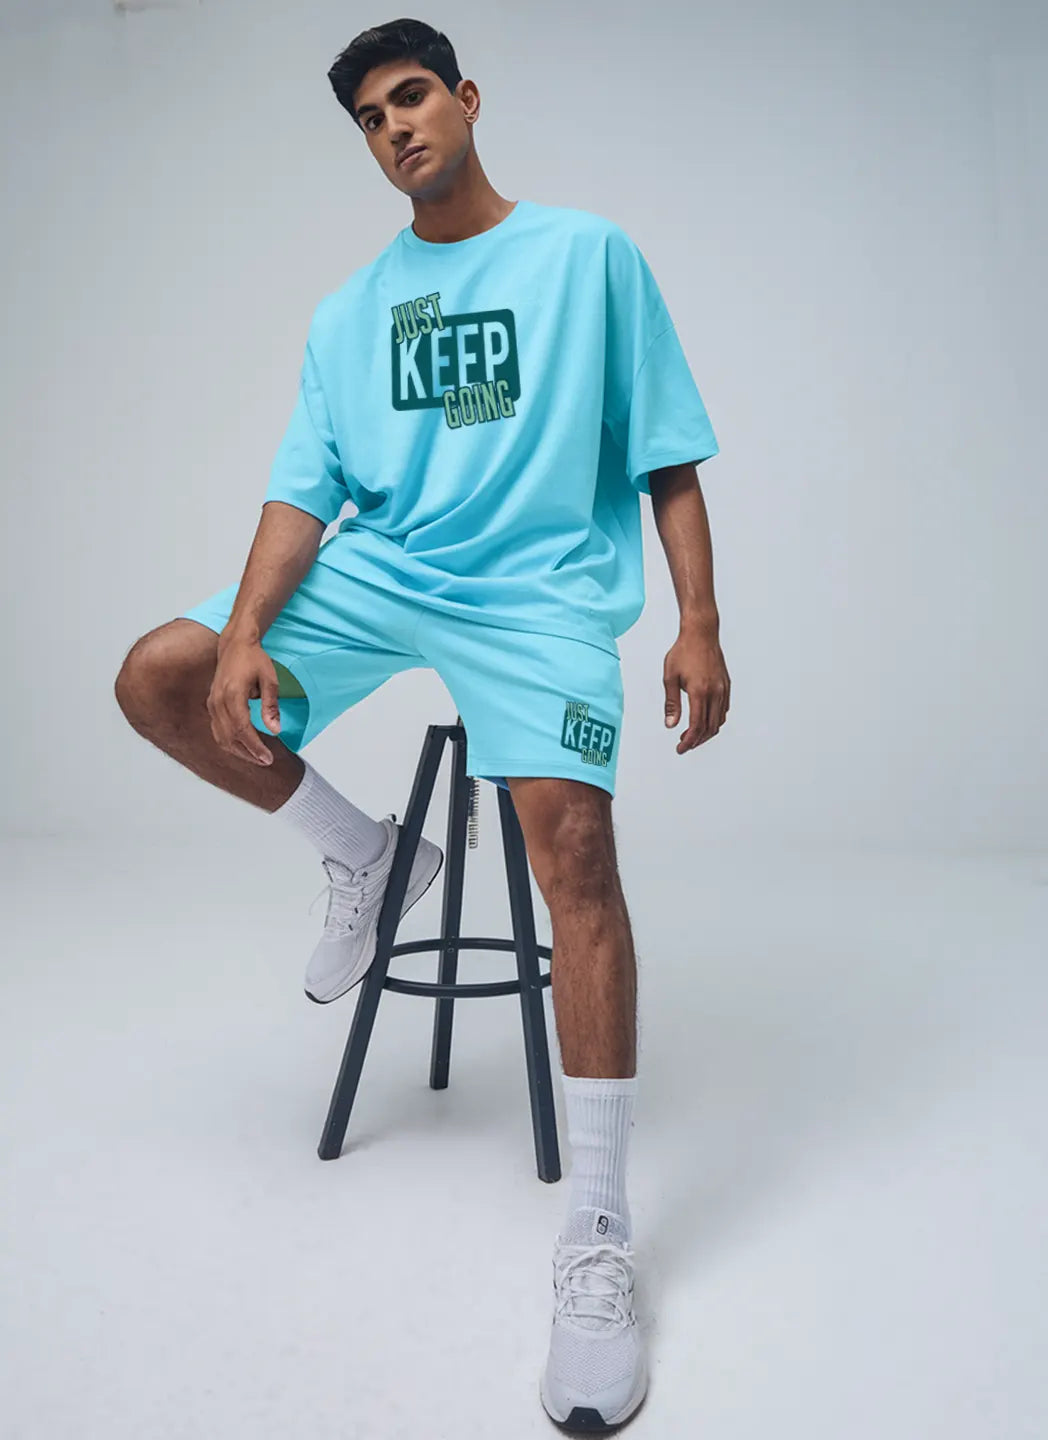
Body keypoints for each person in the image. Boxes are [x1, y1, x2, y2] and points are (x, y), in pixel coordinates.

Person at [114, 17, 730, 1432]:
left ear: (465, 99)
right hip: (388, 572)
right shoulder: (349, 313)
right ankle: (371, 857)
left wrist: (698, 622)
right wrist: (247, 631)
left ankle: (597, 1239)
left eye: (411, 98)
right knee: (161, 673)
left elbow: (670, 458)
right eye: (371, 119)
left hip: (535, 595)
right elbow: (303, 493)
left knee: (577, 858)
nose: (395, 127)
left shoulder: (588, 256)